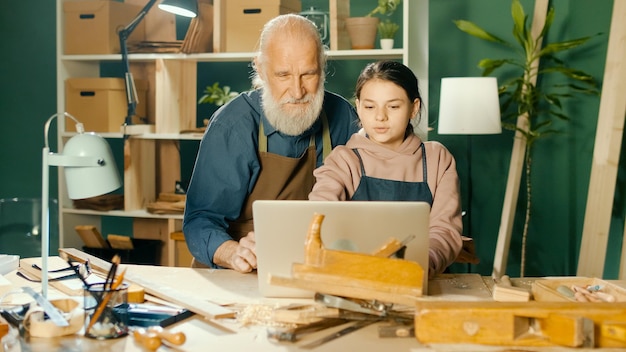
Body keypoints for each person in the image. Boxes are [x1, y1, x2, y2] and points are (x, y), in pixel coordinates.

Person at [183, 14, 359, 272]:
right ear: (261, 68)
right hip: (238, 275)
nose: (297, 92)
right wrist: (232, 252)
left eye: (308, 74)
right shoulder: (232, 126)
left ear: (322, 66)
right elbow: (200, 221)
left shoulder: (342, 117)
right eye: (283, 75)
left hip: (311, 270)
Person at [308, 60, 463, 277]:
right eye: (370, 106)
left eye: (393, 106)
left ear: (414, 108)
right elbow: (319, 214)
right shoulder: (344, 161)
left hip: (423, 278)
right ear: (359, 107)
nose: (380, 116)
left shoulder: (437, 159)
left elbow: (444, 231)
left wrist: (419, 266)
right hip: (357, 276)